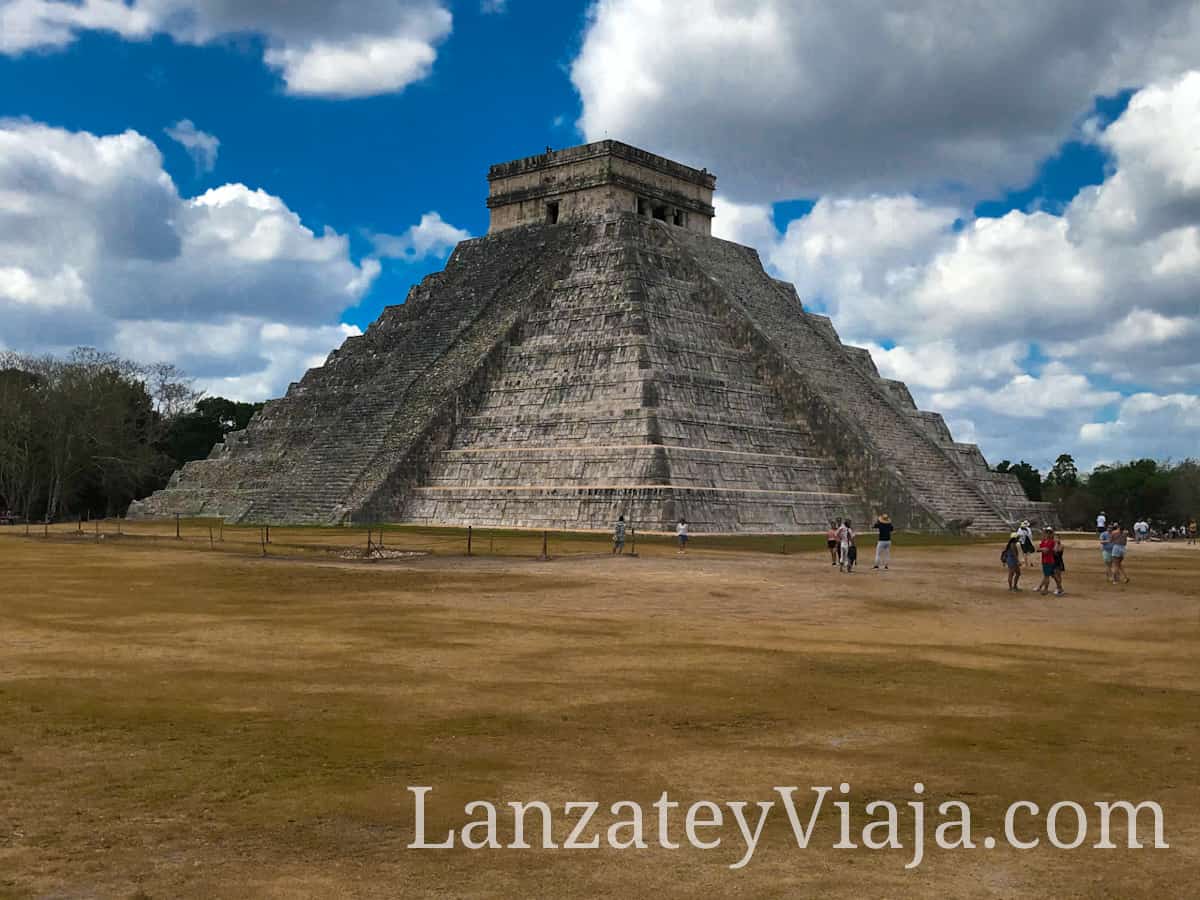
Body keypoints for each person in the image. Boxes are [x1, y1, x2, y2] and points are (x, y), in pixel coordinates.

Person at [1036, 526, 1065, 596]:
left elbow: (1047, 550)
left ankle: (1045, 589)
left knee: (1047, 576)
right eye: (1047, 532)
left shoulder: (1051, 542)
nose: (1048, 534)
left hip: (1048, 561)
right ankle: (1060, 588)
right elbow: (1038, 549)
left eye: (1049, 533)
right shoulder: (1045, 541)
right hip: (1046, 560)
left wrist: (1042, 549)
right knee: (1054, 576)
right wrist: (1043, 549)